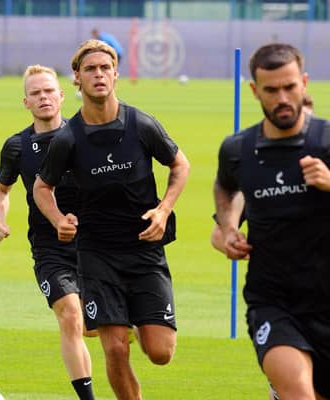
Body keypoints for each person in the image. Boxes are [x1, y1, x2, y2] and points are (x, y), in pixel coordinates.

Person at [33, 39, 190, 400]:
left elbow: (180, 164)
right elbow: (43, 187)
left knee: (160, 352)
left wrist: (164, 209)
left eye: (105, 68)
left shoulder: (141, 124)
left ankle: (126, 314)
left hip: (144, 249)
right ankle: (114, 320)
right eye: (90, 69)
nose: (99, 74)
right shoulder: (68, 137)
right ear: (77, 78)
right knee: (116, 348)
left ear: (116, 73)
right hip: (97, 253)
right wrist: (58, 219)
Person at [214, 43, 330, 400]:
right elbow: (227, 189)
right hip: (273, 301)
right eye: (271, 89)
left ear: (304, 83)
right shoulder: (238, 149)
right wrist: (227, 230)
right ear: (254, 90)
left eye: (290, 87)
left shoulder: (326, 142)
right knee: (298, 392)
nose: (282, 97)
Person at [0, 65, 96, 400]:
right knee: (70, 315)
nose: (44, 98)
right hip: (49, 250)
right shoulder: (17, 146)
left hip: (94, 245)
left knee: (93, 326)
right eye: (36, 93)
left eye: (49, 91)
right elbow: (1, 189)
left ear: (62, 95)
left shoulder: (86, 136)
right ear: (26, 102)